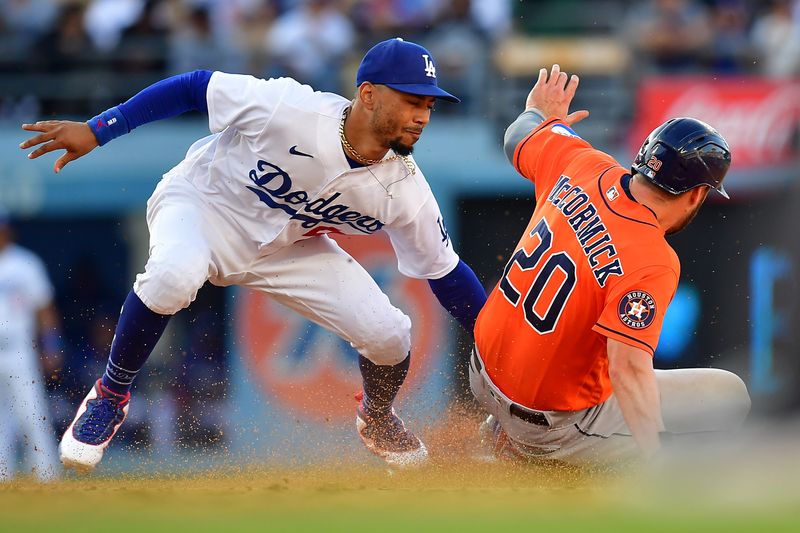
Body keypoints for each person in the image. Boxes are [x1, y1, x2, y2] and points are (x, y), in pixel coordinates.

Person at [19, 38, 486, 471]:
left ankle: (378, 415)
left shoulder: (405, 189)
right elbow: (193, 87)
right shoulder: (291, 108)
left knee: (390, 335)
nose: (422, 115)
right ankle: (111, 394)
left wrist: (495, 339)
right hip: (204, 205)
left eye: (427, 104)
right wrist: (100, 129)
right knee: (173, 276)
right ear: (367, 94)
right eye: (410, 100)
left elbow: (446, 274)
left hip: (288, 248)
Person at [470, 64, 751, 464]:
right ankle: (533, 457)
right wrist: (656, 458)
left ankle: (506, 431)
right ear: (696, 194)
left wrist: (537, 112)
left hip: (480, 373)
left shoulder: (584, 163)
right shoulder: (653, 259)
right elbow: (629, 370)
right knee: (729, 396)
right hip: (549, 422)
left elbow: (515, 136)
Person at [0, 208, 62, 481]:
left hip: (17, 348)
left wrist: (51, 345)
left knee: (32, 412)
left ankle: (47, 474)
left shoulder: (24, 263)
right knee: (3, 418)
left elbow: (45, 308)